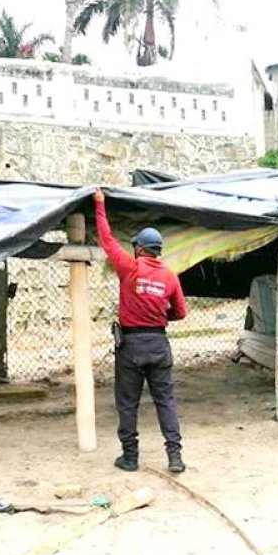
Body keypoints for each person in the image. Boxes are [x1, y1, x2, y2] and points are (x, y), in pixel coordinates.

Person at [93, 189, 188, 474]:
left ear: (138, 248)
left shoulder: (130, 268)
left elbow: (107, 240)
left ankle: (130, 458)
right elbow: (181, 312)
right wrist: (162, 315)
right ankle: (175, 457)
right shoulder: (170, 276)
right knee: (165, 401)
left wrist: (100, 206)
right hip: (159, 344)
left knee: (127, 403)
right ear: (158, 251)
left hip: (131, 346)